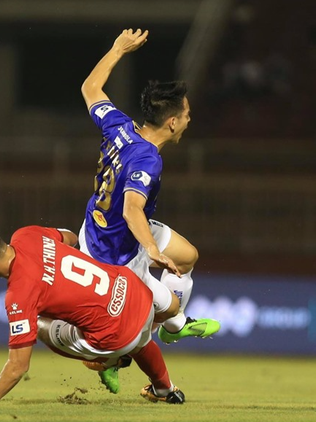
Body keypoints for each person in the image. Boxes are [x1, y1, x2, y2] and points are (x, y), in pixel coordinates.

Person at [79, 28, 220, 352]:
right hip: (115, 252)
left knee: (187, 257)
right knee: (161, 313)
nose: (189, 120)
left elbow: (90, 88)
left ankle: (172, 329)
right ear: (172, 122)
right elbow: (132, 209)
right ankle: (150, 336)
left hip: (104, 223)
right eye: (186, 115)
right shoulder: (148, 160)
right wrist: (152, 250)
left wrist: (117, 49)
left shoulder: (120, 125)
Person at [0, 218, 186, 405]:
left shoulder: (19, 295)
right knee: (136, 337)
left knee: (39, 324)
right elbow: (70, 237)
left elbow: (18, 367)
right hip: (138, 294)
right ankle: (165, 389)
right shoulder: (26, 234)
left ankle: (108, 360)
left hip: (116, 336)